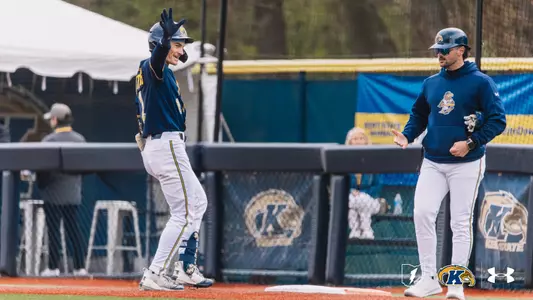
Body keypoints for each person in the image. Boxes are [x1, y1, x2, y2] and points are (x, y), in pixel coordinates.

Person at [391, 27, 506, 300]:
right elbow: (419, 113)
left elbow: (498, 120)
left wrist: (471, 142)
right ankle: (429, 279)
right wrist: (408, 135)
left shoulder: (481, 82)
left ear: (461, 50)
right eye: (437, 50)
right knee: (422, 213)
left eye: (445, 50)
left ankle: (455, 285)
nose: (439, 54)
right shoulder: (431, 83)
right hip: (433, 160)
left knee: (460, 222)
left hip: (467, 162)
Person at [135, 8, 213, 291]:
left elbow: (162, 64)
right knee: (183, 212)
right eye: (176, 44)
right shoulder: (151, 66)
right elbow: (155, 62)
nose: (180, 49)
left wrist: (171, 45)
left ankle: (185, 268)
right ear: (161, 44)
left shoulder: (163, 73)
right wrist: (165, 40)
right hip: (164, 145)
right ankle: (156, 272)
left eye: (181, 45)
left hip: (164, 145)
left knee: (199, 202)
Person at [36, 103, 88, 277]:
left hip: (52, 195)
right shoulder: (80, 139)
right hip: (73, 194)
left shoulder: (49, 141)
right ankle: (80, 267)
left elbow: (42, 171)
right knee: (73, 229)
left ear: (55, 119)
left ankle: (53, 267)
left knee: (53, 232)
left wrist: (40, 185)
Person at [345, 127, 388, 239]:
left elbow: (378, 185)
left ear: (366, 141)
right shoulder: (344, 160)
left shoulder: (373, 160)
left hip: (371, 200)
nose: (358, 141)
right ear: (350, 142)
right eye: (355, 139)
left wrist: (362, 193)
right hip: (351, 200)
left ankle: (358, 230)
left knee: (360, 201)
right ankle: (364, 231)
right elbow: (343, 184)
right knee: (352, 203)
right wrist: (351, 191)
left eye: (361, 138)